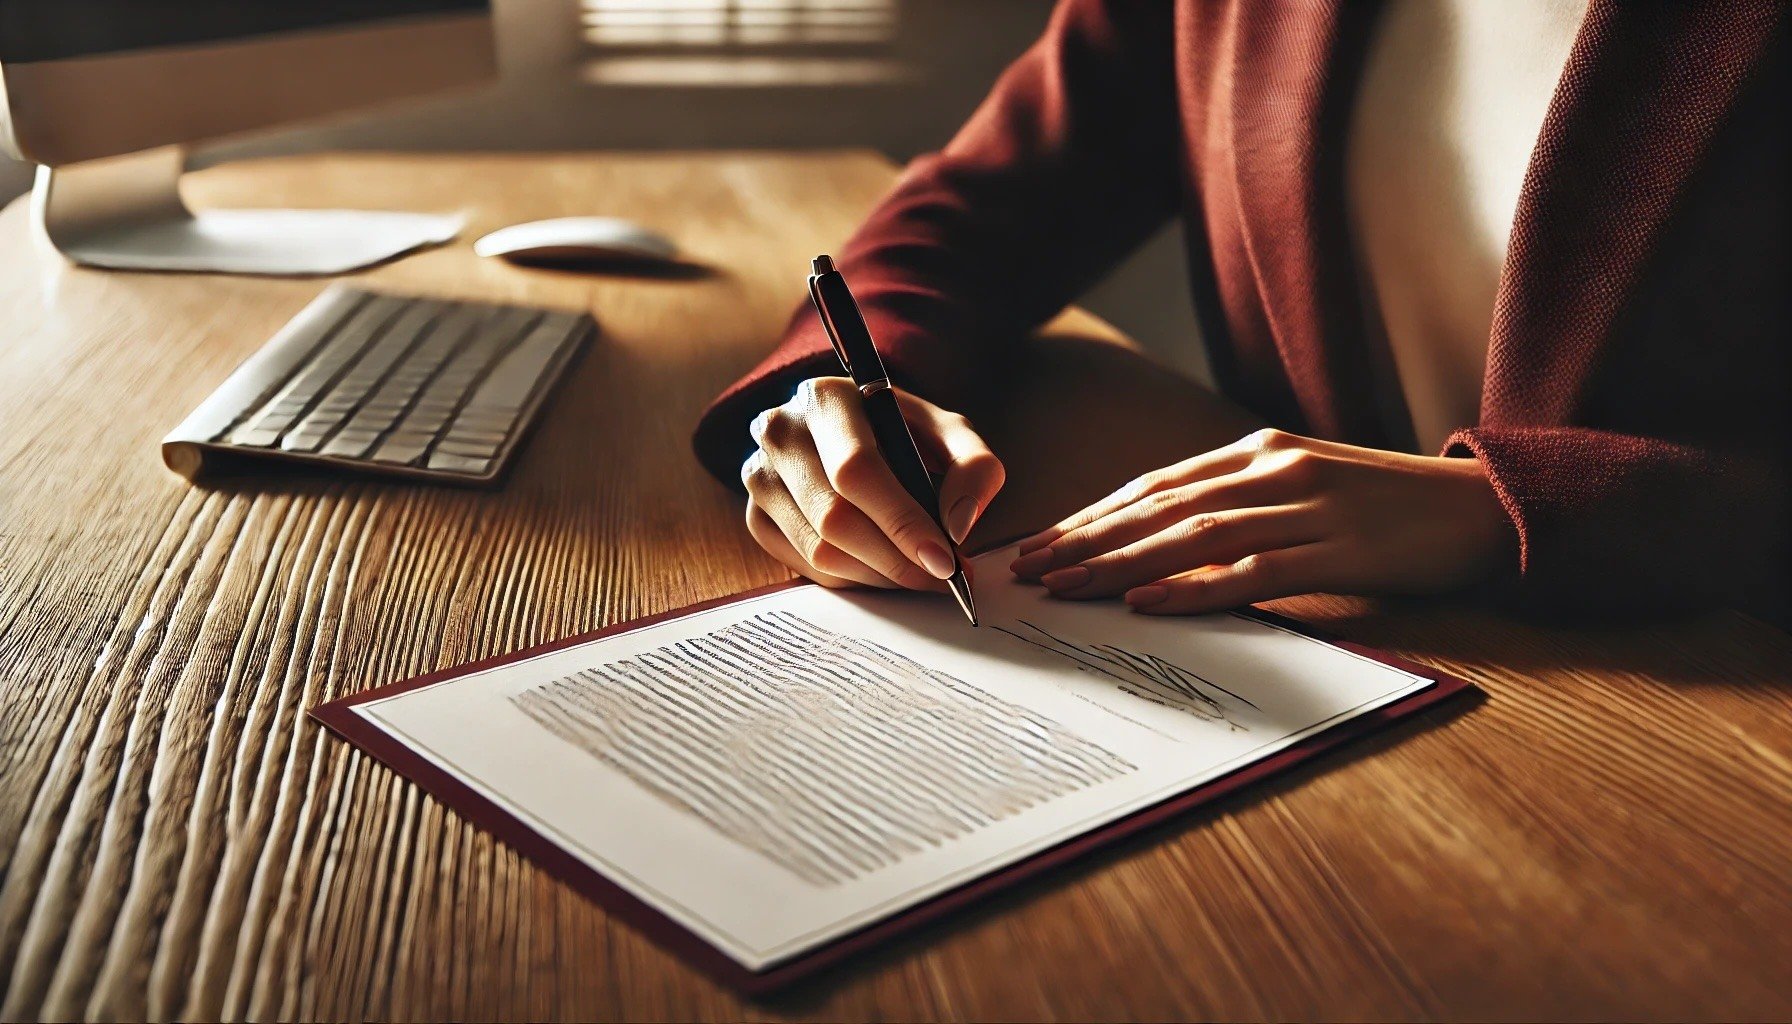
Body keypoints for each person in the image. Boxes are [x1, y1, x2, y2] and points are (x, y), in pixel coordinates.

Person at [692, 0, 1790, 621]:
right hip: (1307, 677)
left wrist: (1507, 511)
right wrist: (853, 397)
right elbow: (983, 203)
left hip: (1698, 723)